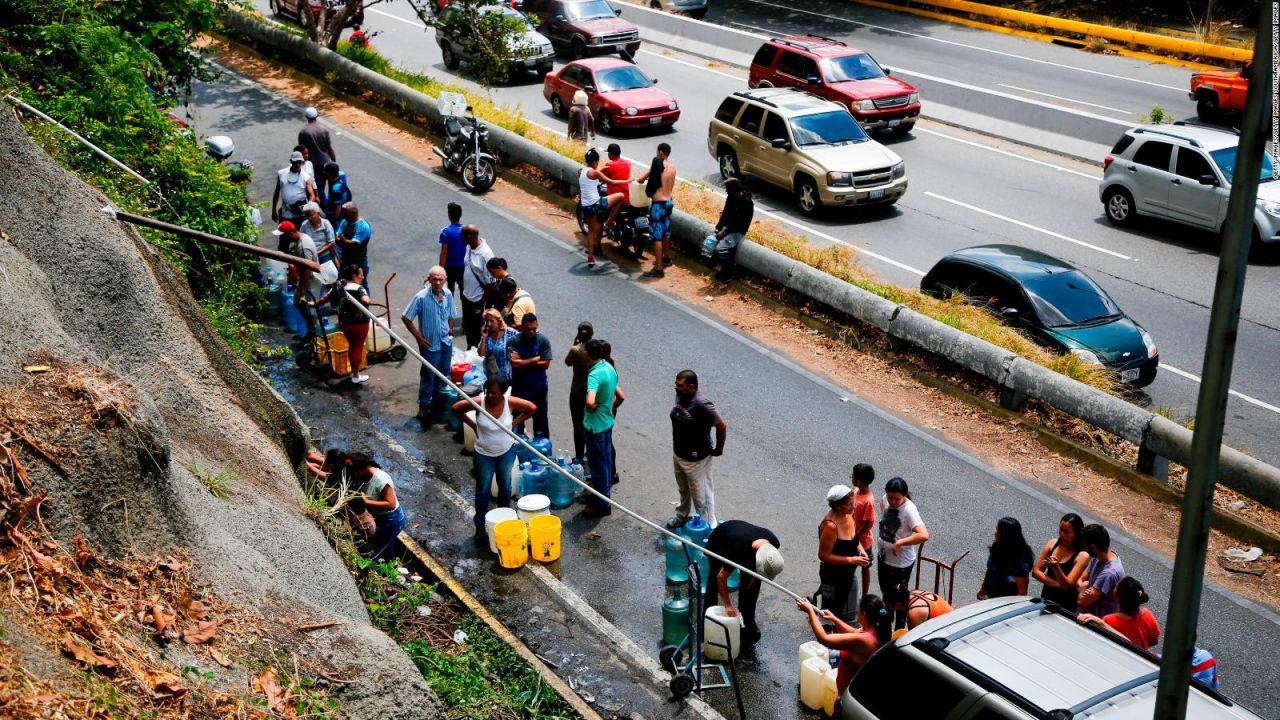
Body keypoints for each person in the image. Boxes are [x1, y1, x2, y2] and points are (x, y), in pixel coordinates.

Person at [453, 378, 536, 547]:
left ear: (503, 393)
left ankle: (503, 523)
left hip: (506, 452)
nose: (490, 396)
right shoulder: (478, 402)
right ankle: (480, 528)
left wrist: (514, 423)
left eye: (495, 393)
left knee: (505, 488)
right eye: (488, 392)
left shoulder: (509, 402)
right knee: (482, 491)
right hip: (483, 454)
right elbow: (456, 408)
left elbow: (531, 408)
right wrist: (473, 425)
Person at [703, 520, 783, 645]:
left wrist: (750, 583)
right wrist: (728, 605)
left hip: (744, 542)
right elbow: (721, 577)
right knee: (714, 582)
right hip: (720, 542)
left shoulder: (773, 543)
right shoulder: (738, 550)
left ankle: (747, 621)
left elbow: (756, 574)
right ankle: (707, 622)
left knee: (752, 587)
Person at [796, 594, 892, 698]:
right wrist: (834, 619)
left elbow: (824, 639)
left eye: (858, 610)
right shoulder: (872, 630)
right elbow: (854, 632)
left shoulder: (865, 640)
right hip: (847, 691)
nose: (857, 612)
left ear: (864, 614)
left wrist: (810, 612)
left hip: (848, 697)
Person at [666, 370, 727, 529]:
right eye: (676, 384)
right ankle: (681, 517)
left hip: (696, 459)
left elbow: (721, 425)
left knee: (702, 497)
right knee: (684, 490)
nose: (675, 387)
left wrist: (718, 449)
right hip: (679, 454)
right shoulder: (681, 396)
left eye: (679, 385)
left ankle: (707, 528)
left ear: (691, 387)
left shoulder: (702, 404)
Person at [402, 266, 455, 424]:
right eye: (435, 279)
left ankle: (439, 403)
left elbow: (451, 315)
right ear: (429, 280)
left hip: (445, 342)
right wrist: (418, 337)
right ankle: (424, 405)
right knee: (428, 375)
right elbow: (406, 317)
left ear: (445, 280)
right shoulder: (421, 297)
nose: (438, 282)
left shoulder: (448, 294)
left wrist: (450, 332)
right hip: (430, 344)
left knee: (444, 374)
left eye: (441, 279)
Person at [876, 477, 928, 630]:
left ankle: (899, 628)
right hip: (884, 558)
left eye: (897, 498)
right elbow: (883, 510)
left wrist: (900, 543)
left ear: (904, 495)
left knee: (899, 597)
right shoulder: (885, 498)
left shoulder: (909, 510)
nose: (892, 501)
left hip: (900, 566)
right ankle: (885, 621)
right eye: (890, 497)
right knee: (886, 593)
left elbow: (923, 535)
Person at [818, 484, 871, 622]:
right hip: (833, 575)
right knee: (831, 610)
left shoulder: (849, 514)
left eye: (852, 503)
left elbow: (854, 539)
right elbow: (823, 555)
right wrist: (851, 560)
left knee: (841, 605)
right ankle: (828, 636)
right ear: (837, 506)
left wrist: (860, 550)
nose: (852, 507)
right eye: (848, 505)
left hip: (847, 574)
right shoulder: (830, 526)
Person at [313, 264, 371, 384]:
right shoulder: (358, 288)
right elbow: (366, 300)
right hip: (359, 325)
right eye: (361, 274)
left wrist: (315, 303)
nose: (363, 276)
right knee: (357, 347)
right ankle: (355, 376)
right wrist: (360, 311)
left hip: (344, 323)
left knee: (352, 346)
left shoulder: (339, 286)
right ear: (354, 276)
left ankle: (354, 373)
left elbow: (326, 297)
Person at [581, 338, 619, 517]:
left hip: (595, 425)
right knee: (606, 461)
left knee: (597, 464)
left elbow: (589, 401)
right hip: (607, 421)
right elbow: (618, 394)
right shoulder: (609, 368)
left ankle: (602, 503)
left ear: (588, 353)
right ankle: (603, 495)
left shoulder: (594, 374)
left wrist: (592, 406)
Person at [1077, 576, 1160, 651]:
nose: (1114, 588)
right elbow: (1154, 641)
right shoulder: (1148, 614)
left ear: (1118, 599)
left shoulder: (1109, 620)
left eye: (1116, 587)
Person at [348, 454, 402, 561]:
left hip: (391, 519)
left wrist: (367, 502)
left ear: (359, 469)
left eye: (354, 472)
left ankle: (372, 570)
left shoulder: (380, 480)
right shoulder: (364, 476)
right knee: (387, 548)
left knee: (375, 550)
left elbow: (391, 504)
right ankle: (389, 565)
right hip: (379, 516)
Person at [1031, 512, 1089, 611]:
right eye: (1060, 529)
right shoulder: (1052, 543)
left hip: (1064, 608)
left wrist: (1056, 567)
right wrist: (1058, 584)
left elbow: (1067, 585)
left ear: (1077, 533)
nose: (1062, 535)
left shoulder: (1082, 555)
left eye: (1067, 532)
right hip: (1046, 599)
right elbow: (1035, 572)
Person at [579, 148, 626, 268]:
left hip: (586, 206)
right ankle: (610, 221)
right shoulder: (596, 173)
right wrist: (629, 180)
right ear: (595, 161)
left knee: (590, 231)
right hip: (597, 203)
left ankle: (590, 257)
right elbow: (612, 182)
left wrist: (600, 170)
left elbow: (592, 176)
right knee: (621, 196)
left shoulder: (582, 171)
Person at [507, 313, 552, 439]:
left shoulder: (543, 340)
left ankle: (542, 451)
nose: (531, 331)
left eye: (534, 328)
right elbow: (514, 364)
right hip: (519, 388)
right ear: (521, 327)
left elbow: (546, 364)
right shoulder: (513, 341)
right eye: (528, 329)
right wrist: (535, 360)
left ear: (537, 326)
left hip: (539, 388)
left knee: (541, 421)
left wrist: (523, 362)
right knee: (517, 421)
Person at [635, 142, 676, 277]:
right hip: (669, 202)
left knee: (656, 237)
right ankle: (667, 258)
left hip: (658, 205)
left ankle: (658, 269)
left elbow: (641, 180)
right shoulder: (673, 168)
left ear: (661, 153)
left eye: (657, 152)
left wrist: (638, 179)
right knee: (666, 232)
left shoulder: (657, 165)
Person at [977, 517, 1034, 600]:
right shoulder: (997, 547)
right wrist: (983, 588)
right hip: (990, 597)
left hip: (1004, 604)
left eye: (998, 529)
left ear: (1005, 535)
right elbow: (990, 571)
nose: (995, 532)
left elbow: (1022, 592)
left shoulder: (1020, 563)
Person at [564, 322, 595, 464]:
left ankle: (579, 456)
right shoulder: (596, 351)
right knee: (591, 423)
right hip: (592, 393)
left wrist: (575, 342)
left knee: (578, 424)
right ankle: (592, 452)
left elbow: (568, 362)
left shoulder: (575, 350)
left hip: (577, 391)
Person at [460, 224, 495, 349]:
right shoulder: (470, 247)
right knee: (468, 329)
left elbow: (491, 283)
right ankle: (470, 351)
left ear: (470, 236)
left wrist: (482, 303)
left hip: (477, 301)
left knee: (476, 333)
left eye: (463, 236)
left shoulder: (485, 254)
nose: (461, 238)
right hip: (467, 297)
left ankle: (476, 356)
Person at [712, 177, 754, 281]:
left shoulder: (747, 203)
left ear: (735, 191)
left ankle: (730, 271)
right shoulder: (730, 198)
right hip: (728, 228)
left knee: (720, 249)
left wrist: (725, 232)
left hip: (738, 231)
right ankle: (724, 268)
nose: (726, 192)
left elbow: (741, 224)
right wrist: (718, 227)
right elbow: (725, 213)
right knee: (712, 243)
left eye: (728, 190)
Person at [1078, 523, 1124, 614]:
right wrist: (1085, 585)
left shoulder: (1109, 573)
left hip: (1095, 623)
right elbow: (1080, 579)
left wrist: (1083, 586)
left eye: (1084, 545)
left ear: (1093, 547)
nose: (1083, 548)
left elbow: (1082, 602)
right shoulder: (1098, 557)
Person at [851, 464, 876, 602]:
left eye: (853, 476)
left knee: (865, 567)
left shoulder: (868, 501)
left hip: (863, 542)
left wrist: (854, 534)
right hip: (852, 537)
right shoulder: (856, 491)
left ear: (859, 480)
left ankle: (865, 595)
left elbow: (868, 522)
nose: (852, 478)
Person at [272, 150, 315, 226]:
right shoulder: (281, 174)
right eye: (295, 162)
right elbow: (276, 192)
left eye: (299, 162)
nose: (298, 164)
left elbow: (311, 194)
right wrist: (273, 210)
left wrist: (309, 206)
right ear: (291, 161)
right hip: (286, 213)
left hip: (301, 214)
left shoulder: (306, 177)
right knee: (285, 235)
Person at [479, 308, 519, 384]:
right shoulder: (487, 335)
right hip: (491, 375)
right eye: (487, 321)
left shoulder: (510, 333)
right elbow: (481, 354)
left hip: (507, 376)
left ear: (498, 320)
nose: (489, 324)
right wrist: (484, 337)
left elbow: (522, 344)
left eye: (492, 321)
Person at [335, 202, 372, 283]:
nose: (344, 216)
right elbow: (337, 237)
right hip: (345, 259)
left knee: (361, 284)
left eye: (346, 214)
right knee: (344, 281)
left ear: (354, 213)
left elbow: (353, 244)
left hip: (358, 261)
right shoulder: (344, 222)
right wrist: (342, 239)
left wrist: (343, 239)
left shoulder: (362, 226)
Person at [438, 202, 466, 296]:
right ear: (460, 215)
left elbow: (444, 253)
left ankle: (450, 308)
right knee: (463, 289)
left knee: (449, 290)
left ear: (449, 216)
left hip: (449, 266)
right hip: (462, 265)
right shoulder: (465, 230)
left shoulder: (445, 232)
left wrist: (440, 270)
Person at [602, 143, 632, 228]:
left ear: (611, 154)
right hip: (627, 197)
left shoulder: (609, 165)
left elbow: (601, 177)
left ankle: (608, 222)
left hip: (615, 199)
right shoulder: (628, 163)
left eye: (608, 153)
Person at [298, 106, 337, 170]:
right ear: (316, 116)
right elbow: (330, 149)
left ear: (306, 117)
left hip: (311, 164)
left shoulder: (303, 132)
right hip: (325, 162)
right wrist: (334, 163)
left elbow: (301, 151)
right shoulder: (324, 130)